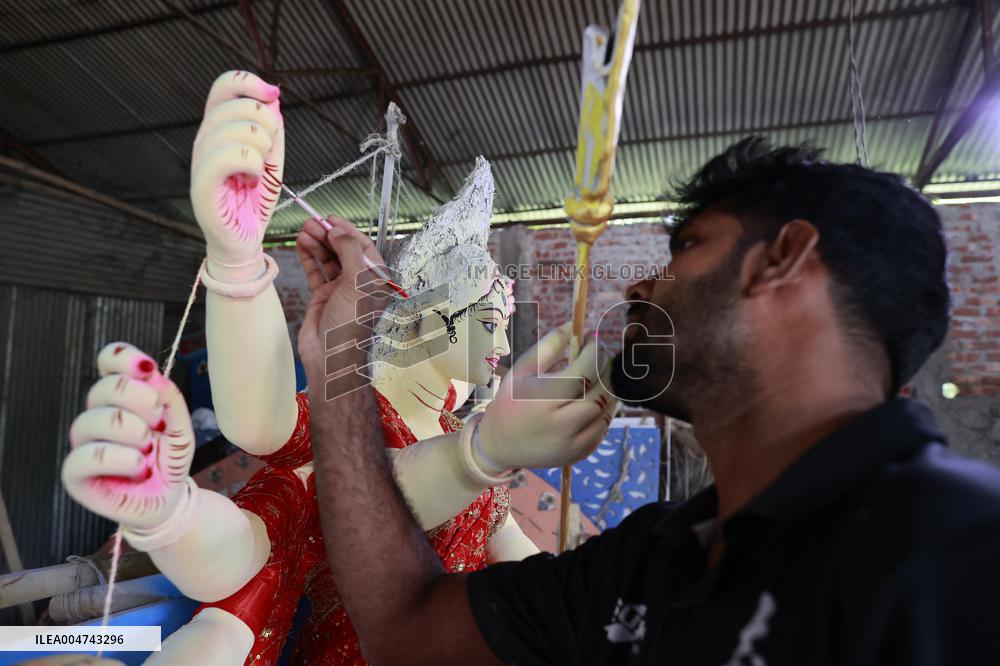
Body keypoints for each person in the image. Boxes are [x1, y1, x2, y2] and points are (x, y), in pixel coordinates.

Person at [299, 137, 1000, 665]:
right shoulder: (651, 561)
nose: (639, 288)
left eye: (688, 246)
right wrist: (340, 366)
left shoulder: (960, 551)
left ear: (783, 258)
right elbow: (405, 626)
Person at [59, 71, 614, 665]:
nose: (505, 335)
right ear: (427, 320)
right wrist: (237, 261)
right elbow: (272, 436)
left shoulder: (452, 428)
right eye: (489, 318)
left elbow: (515, 555)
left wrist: (590, 616)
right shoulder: (350, 424)